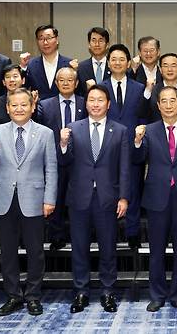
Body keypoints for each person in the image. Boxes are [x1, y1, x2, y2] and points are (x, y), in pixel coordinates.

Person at [0, 88, 57, 317]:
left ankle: (33, 296)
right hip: (4, 199)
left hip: (34, 199)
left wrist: (49, 199)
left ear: (33, 106)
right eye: (14, 105)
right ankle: (13, 295)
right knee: (8, 252)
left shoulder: (45, 133)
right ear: (7, 108)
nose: (19, 109)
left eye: (24, 104)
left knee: (35, 252)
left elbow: (51, 169)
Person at [58, 85, 130, 314]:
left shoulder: (120, 130)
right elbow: (65, 162)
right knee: (79, 248)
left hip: (108, 198)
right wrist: (62, 144)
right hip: (79, 198)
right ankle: (81, 292)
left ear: (108, 104)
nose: (96, 104)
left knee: (108, 248)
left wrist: (124, 197)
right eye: (92, 100)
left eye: (100, 100)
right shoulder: (72, 129)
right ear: (85, 104)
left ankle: (108, 292)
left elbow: (125, 168)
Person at [133, 86, 177, 312]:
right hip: (157, 197)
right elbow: (137, 158)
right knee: (156, 250)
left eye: (172, 100)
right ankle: (157, 294)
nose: (168, 105)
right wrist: (136, 140)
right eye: (163, 101)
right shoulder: (149, 130)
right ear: (158, 105)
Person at [102, 44, 149, 248]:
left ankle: (132, 232)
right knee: (109, 192)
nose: (118, 63)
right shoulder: (100, 88)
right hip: (107, 150)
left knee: (133, 191)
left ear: (129, 63)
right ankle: (109, 233)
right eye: (114, 59)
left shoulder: (139, 88)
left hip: (132, 147)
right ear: (108, 63)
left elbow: (143, 118)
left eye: (122, 59)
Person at [35, 67, 86, 251]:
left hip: (78, 160)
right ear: (56, 83)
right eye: (61, 80)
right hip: (54, 159)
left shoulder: (85, 103)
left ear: (77, 83)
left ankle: (77, 235)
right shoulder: (45, 104)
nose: (65, 83)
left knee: (76, 199)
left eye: (70, 80)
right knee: (55, 198)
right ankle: (57, 236)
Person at [20, 24, 77, 101]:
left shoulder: (69, 64)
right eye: (41, 39)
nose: (45, 42)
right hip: (38, 109)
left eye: (49, 38)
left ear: (57, 40)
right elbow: (22, 89)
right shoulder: (31, 64)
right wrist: (23, 67)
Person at [0, 64, 29, 130]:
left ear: (23, 80)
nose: (12, 80)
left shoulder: (31, 101)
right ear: (4, 82)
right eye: (8, 77)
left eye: (15, 76)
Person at [76, 27, 112, 95]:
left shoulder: (114, 66)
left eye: (101, 41)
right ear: (89, 44)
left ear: (107, 45)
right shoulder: (81, 68)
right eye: (93, 40)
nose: (97, 44)